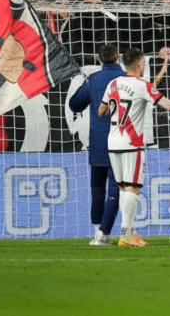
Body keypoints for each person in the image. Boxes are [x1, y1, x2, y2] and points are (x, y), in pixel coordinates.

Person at [98, 48, 170, 247]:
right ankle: (125, 234)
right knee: (132, 188)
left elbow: (101, 111)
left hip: (112, 142)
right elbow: (165, 104)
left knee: (123, 187)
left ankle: (130, 232)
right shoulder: (143, 86)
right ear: (140, 65)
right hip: (132, 143)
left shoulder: (112, 84)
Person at [68, 44, 126, 246]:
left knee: (97, 189)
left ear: (99, 59)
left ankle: (97, 233)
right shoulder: (128, 79)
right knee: (119, 188)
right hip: (122, 141)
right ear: (119, 57)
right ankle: (114, 232)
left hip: (99, 142)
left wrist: (86, 85)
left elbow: (75, 105)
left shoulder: (92, 80)